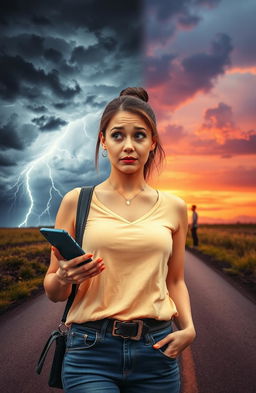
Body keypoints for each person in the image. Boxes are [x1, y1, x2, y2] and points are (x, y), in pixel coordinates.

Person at [43, 87, 196, 393]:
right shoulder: (77, 202)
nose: (128, 146)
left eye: (139, 135)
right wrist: (62, 276)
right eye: (117, 136)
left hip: (156, 353)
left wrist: (189, 329)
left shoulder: (175, 207)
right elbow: (53, 290)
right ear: (103, 141)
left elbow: (175, 280)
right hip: (90, 352)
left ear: (153, 142)